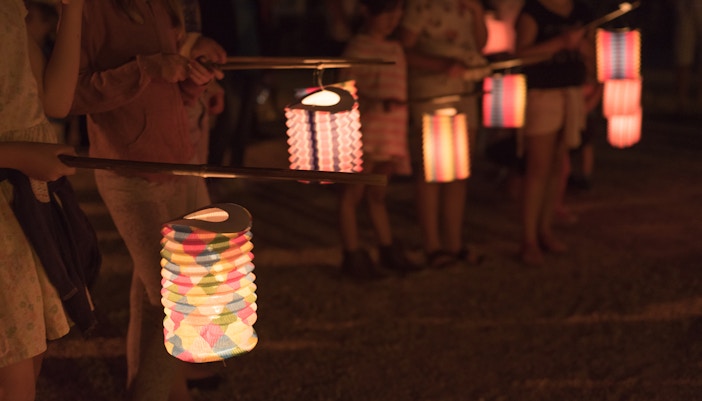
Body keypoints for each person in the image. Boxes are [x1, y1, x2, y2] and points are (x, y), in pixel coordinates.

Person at [69, 1, 226, 400]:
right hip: (126, 169)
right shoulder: (89, 10)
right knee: (175, 297)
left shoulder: (158, 6)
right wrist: (147, 68)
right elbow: (72, 93)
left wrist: (194, 80)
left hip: (175, 161)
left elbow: (169, 94)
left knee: (151, 293)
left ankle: (158, 389)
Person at [0, 0, 85, 400]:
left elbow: (53, 102)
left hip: (25, 199)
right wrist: (19, 155)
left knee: (29, 350)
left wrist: (74, 10)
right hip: (10, 192)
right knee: (13, 364)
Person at [398, 0, 488, 269]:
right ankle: (432, 245)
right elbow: (403, 50)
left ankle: (454, 243)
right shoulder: (421, 6)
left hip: (464, 92)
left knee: (459, 171)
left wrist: (477, 12)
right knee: (430, 172)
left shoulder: (467, 5)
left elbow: (480, 44)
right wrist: (440, 64)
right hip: (431, 93)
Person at [334, 0, 420, 280]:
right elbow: (344, 91)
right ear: (367, 12)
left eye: (397, 13)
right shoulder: (357, 48)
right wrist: (373, 101)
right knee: (353, 194)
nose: (392, 19)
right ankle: (352, 252)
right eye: (386, 12)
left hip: (390, 135)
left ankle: (386, 247)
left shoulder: (395, 49)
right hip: (365, 134)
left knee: (378, 194)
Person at [514, 0, 595, 266]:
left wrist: (586, 52)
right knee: (538, 166)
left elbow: (594, 54)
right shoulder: (533, 11)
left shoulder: (582, 11)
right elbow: (521, 55)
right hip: (543, 93)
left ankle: (544, 229)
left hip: (571, 92)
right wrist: (558, 44)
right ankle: (528, 238)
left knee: (557, 165)